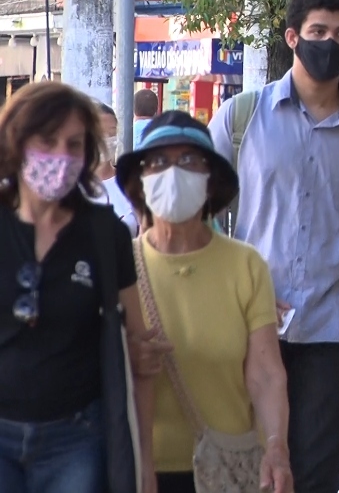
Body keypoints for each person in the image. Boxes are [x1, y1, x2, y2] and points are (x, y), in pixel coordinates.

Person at [206, 0, 339, 491]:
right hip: (251, 324)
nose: (330, 43)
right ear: (293, 37)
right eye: (318, 32)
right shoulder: (241, 119)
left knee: (316, 474)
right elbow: (203, 224)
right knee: (250, 467)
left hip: (335, 328)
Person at [116, 110, 292, 493]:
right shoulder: (118, 265)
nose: (173, 172)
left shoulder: (245, 265)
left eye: (189, 161)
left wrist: (277, 447)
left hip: (229, 469)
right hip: (140, 470)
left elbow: (265, 372)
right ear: (140, 182)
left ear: (211, 182)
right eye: (158, 162)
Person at [0, 82, 160, 493]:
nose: (61, 156)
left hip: (75, 440)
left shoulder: (105, 234)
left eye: (74, 145)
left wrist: (143, 462)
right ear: (17, 142)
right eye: (48, 141)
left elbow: (139, 354)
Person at [91, 103, 141, 237]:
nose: (107, 139)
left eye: (112, 133)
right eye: (100, 133)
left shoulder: (130, 182)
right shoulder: (71, 186)